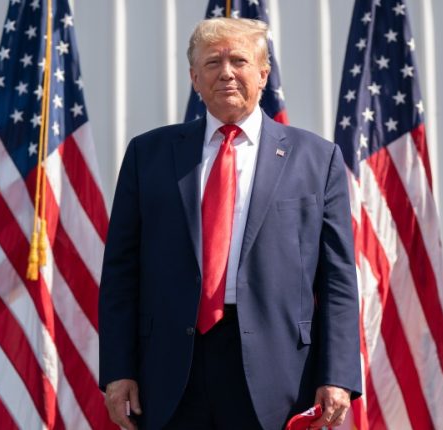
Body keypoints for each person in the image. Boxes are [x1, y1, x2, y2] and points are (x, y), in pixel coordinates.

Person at [99, 17, 361, 430]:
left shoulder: (317, 159)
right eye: (212, 63)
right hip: (169, 373)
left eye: (239, 60)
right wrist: (117, 370)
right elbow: (120, 273)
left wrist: (338, 376)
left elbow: (338, 279)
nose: (226, 72)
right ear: (194, 78)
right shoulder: (147, 156)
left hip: (279, 376)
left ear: (263, 74)